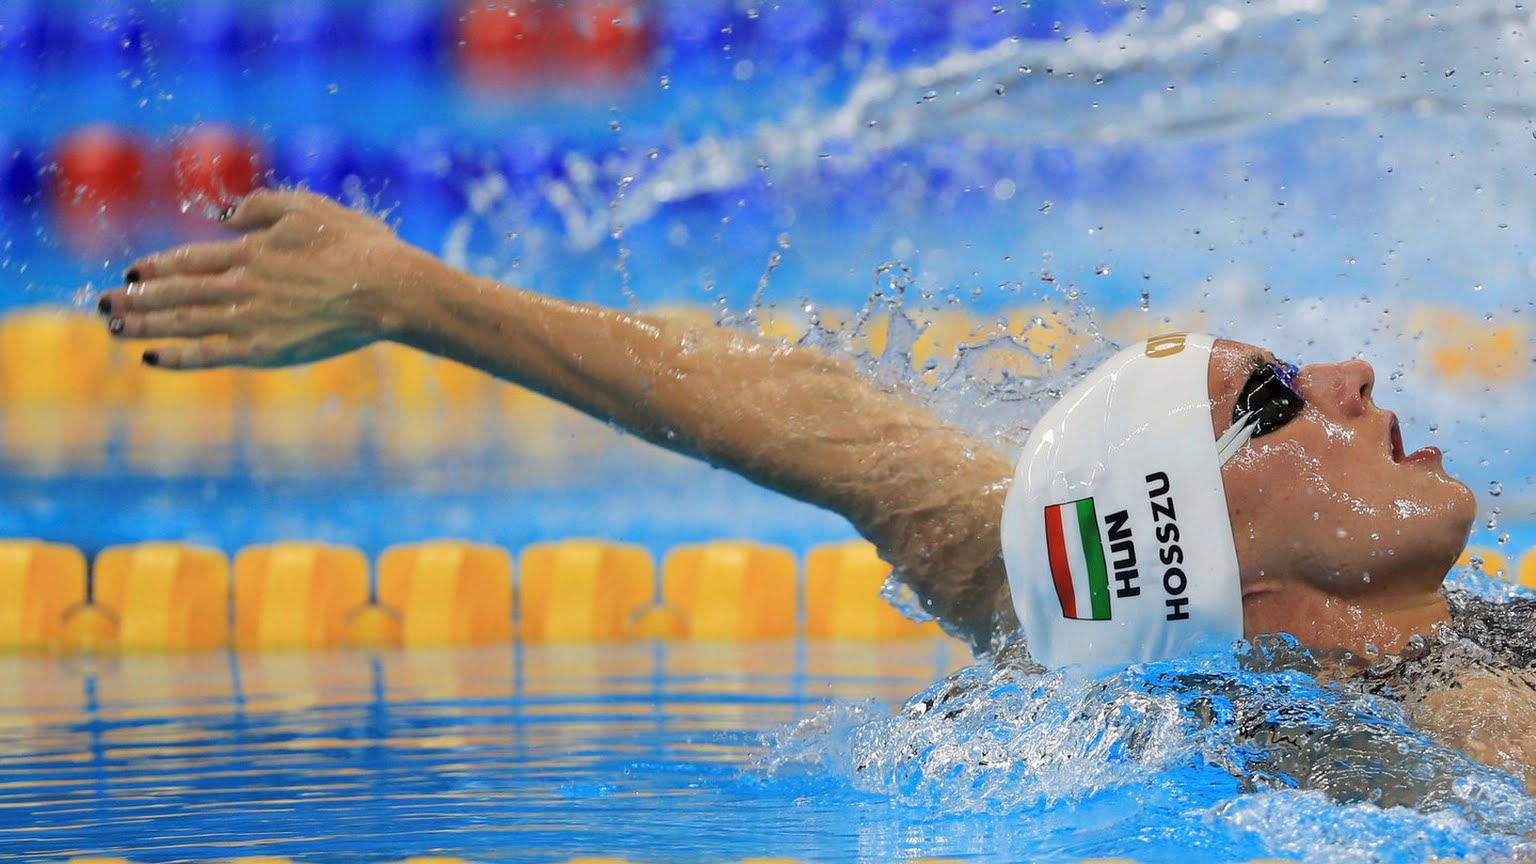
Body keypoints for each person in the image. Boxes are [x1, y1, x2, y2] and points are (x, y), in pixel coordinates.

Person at [94, 188, 1536, 789]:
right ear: (1232, 576)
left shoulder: (1090, 624)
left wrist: (411, 292)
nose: (1351, 373)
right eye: (1274, 405)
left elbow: (836, 429)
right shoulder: (1470, 748)